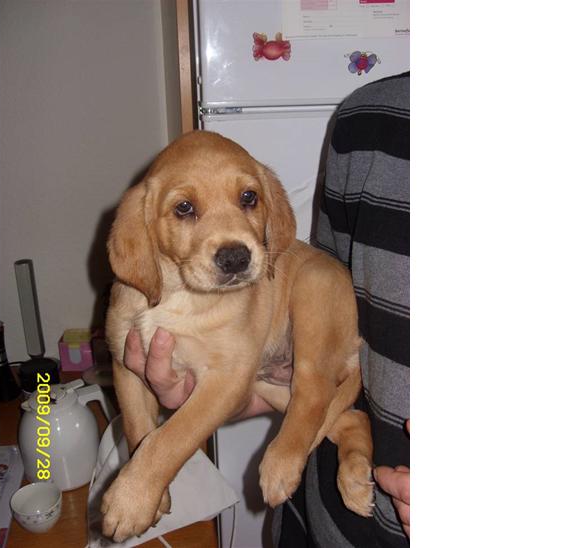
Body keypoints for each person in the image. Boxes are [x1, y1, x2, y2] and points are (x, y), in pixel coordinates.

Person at [122, 71, 410, 547]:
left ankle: (307, 419)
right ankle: (348, 432)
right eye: (185, 209)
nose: (232, 243)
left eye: (247, 199)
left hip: (312, 334)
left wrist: (151, 469)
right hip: (309, 523)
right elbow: (133, 369)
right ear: (144, 225)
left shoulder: (269, 262)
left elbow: (318, 276)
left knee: (316, 279)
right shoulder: (365, 121)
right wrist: (143, 451)